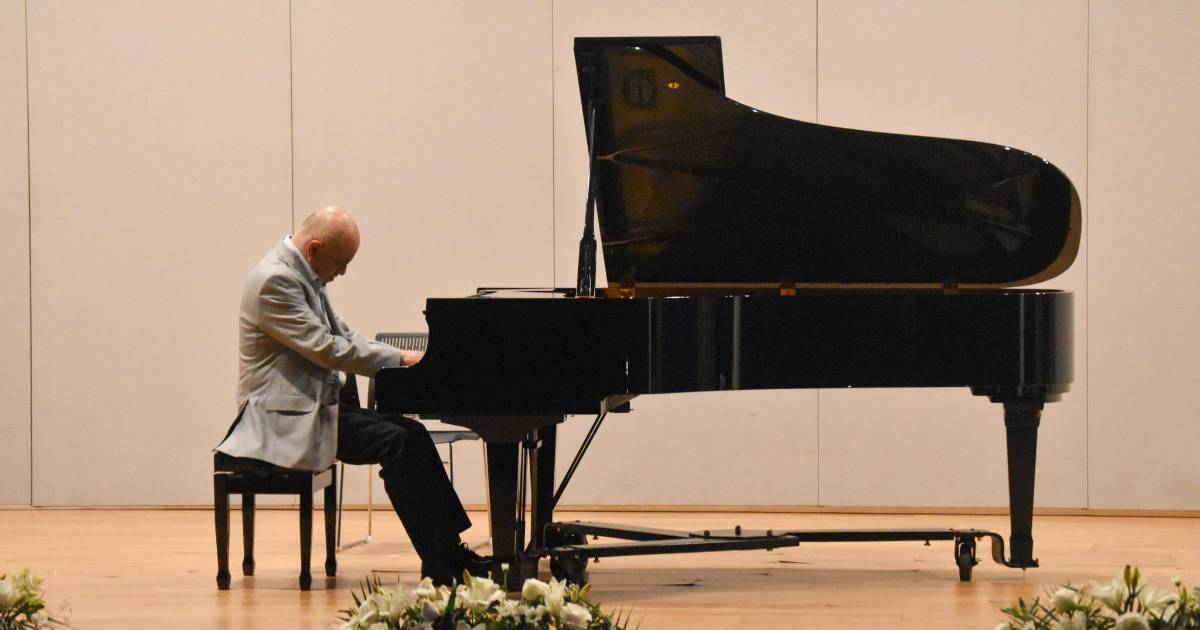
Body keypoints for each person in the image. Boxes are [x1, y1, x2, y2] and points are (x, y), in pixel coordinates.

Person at [216, 206, 487, 585]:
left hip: (318, 407)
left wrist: (403, 358)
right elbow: (328, 348)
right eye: (340, 262)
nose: (342, 272)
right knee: (400, 443)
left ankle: (449, 551)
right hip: (283, 419)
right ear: (313, 249)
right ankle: (441, 564)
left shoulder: (303, 275)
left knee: (413, 433)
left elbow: (346, 336)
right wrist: (402, 359)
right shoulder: (274, 282)